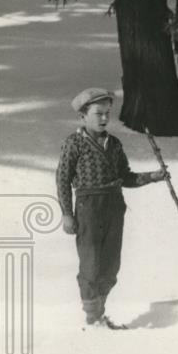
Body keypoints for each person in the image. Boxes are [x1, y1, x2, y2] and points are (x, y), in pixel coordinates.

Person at [56, 88, 167, 328]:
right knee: (91, 264)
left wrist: (153, 176)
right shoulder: (74, 143)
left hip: (114, 206)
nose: (104, 118)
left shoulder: (114, 144)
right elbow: (62, 179)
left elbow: (125, 177)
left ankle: (99, 314)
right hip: (88, 208)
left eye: (107, 113)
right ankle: (92, 317)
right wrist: (66, 213)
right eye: (98, 113)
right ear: (83, 116)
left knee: (110, 265)